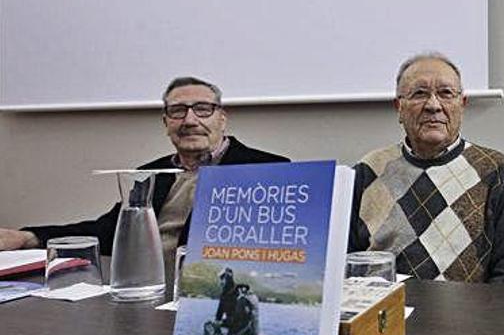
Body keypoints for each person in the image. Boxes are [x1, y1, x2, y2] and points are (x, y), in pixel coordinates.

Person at [0, 76, 289, 296]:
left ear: (222, 119)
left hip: (206, 301)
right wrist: (29, 237)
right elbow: (108, 231)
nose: (190, 120)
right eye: (177, 111)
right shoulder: (149, 173)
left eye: (202, 109)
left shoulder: (269, 170)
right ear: (166, 123)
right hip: (144, 295)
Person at [349, 53, 504, 284]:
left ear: (462, 104)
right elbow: (344, 262)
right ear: (399, 107)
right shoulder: (367, 171)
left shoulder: (498, 172)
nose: (433, 105)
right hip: (388, 313)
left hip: (471, 316)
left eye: (446, 93)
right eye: (419, 94)